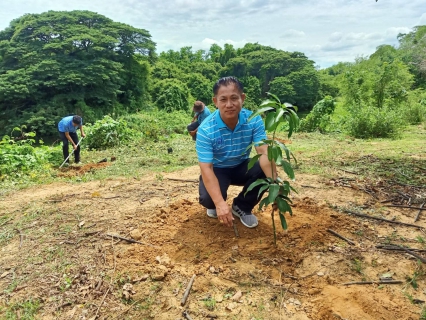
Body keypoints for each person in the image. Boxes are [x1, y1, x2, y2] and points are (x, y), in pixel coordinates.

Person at [196, 76, 276, 229]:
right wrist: (219, 203)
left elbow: (264, 152)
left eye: (234, 98)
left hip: (241, 166)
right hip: (218, 169)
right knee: (209, 200)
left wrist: (276, 186)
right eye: (223, 99)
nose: (229, 104)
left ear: (242, 98)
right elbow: (206, 167)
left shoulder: (253, 119)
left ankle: (242, 206)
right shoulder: (206, 129)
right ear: (215, 102)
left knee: (265, 172)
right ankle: (216, 201)